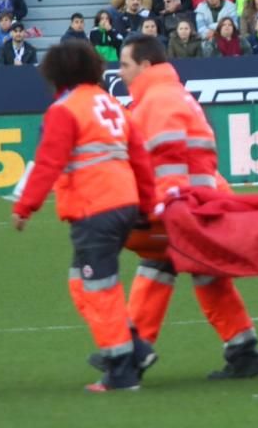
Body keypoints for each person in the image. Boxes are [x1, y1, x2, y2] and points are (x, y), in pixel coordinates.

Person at [115, 35, 258, 379]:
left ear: (145, 65)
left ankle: (133, 351)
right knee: (201, 271)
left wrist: (164, 207)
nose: (120, 72)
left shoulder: (157, 100)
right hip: (200, 201)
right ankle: (243, 350)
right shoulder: (171, 94)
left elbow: (168, 158)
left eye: (124, 64)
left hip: (184, 204)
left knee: (159, 264)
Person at [12, 41, 156, 392]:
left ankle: (121, 369)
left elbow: (49, 162)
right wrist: (148, 206)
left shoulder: (64, 110)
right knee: (82, 284)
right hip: (123, 204)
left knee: (99, 288)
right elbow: (140, 159)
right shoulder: (111, 104)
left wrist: (25, 206)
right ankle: (134, 348)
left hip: (96, 208)